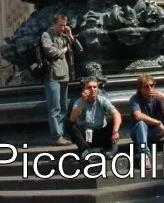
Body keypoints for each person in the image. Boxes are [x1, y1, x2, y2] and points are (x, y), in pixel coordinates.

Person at [42, 14, 83, 146]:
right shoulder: (46, 35)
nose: (62, 27)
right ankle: (57, 136)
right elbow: (49, 51)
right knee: (54, 108)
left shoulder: (65, 36)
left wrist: (70, 35)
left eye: (64, 25)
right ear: (54, 24)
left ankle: (61, 134)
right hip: (52, 76)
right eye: (60, 25)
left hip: (65, 76)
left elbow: (79, 50)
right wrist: (63, 50)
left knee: (64, 108)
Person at [67, 76, 121, 159]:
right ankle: (85, 150)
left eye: (95, 87)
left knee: (114, 121)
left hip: (100, 133)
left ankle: (109, 151)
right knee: (70, 124)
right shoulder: (79, 102)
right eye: (89, 87)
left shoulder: (102, 100)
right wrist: (83, 101)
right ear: (84, 89)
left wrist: (115, 131)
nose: (92, 89)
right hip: (86, 136)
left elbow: (116, 114)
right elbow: (72, 118)